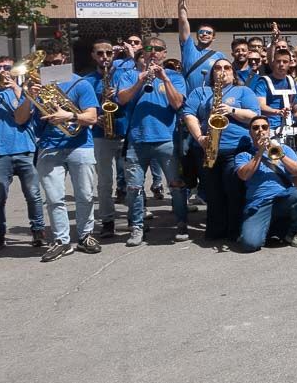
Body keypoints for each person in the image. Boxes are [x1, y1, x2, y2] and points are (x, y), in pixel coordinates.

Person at [23, 42, 100, 262]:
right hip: (49, 147)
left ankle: (86, 235)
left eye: (56, 63)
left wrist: (69, 117)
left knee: (85, 195)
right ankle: (61, 241)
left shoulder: (81, 84)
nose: (51, 68)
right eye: (46, 64)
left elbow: (92, 118)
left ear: (65, 59)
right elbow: (20, 119)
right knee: (54, 198)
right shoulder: (36, 87)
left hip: (80, 146)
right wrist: (28, 97)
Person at [182, 58, 261, 241]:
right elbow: (189, 114)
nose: (222, 71)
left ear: (233, 74)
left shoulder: (243, 91)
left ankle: (235, 231)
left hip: (236, 150)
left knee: (234, 191)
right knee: (213, 192)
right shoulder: (200, 91)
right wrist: (200, 138)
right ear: (212, 74)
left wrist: (232, 110)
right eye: (218, 68)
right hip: (207, 149)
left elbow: (254, 115)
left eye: (227, 68)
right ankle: (216, 231)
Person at [117, 45, 188, 245]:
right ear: (144, 53)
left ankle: (181, 223)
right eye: (149, 49)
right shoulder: (130, 76)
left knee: (175, 185)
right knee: (133, 188)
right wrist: (141, 80)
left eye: (159, 49)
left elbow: (177, 104)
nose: (154, 52)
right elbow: (122, 99)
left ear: (165, 53)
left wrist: (164, 78)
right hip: (137, 140)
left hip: (166, 139)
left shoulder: (174, 76)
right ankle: (137, 228)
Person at [0, 56, 46, 251]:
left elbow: (23, 117)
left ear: (15, 71)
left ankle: (37, 231)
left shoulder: (24, 92)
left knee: (33, 194)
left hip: (25, 150)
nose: (2, 70)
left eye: (7, 67)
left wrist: (15, 87)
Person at [83, 40, 134, 239]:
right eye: (100, 53)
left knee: (132, 181)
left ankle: (133, 218)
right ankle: (107, 221)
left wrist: (120, 96)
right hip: (100, 135)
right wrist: (96, 120)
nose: (105, 57)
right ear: (93, 55)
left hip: (124, 132)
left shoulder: (124, 75)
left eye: (109, 53)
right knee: (104, 182)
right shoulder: (87, 80)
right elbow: (80, 106)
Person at [234, 117, 297, 251]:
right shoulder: (243, 155)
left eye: (264, 127)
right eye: (256, 128)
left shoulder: (284, 149)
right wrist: (260, 152)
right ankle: (267, 229)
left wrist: (279, 154)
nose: (260, 131)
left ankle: (294, 232)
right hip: (259, 203)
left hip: (283, 198)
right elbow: (244, 175)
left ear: (269, 131)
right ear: (250, 132)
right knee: (250, 245)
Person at [177, 0, 227, 93]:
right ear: (197, 35)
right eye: (201, 32)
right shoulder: (188, 47)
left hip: (210, 99)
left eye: (208, 33)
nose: (204, 34)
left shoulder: (220, 56)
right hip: (188, 99)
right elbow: (183, 19)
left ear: (213, 38)